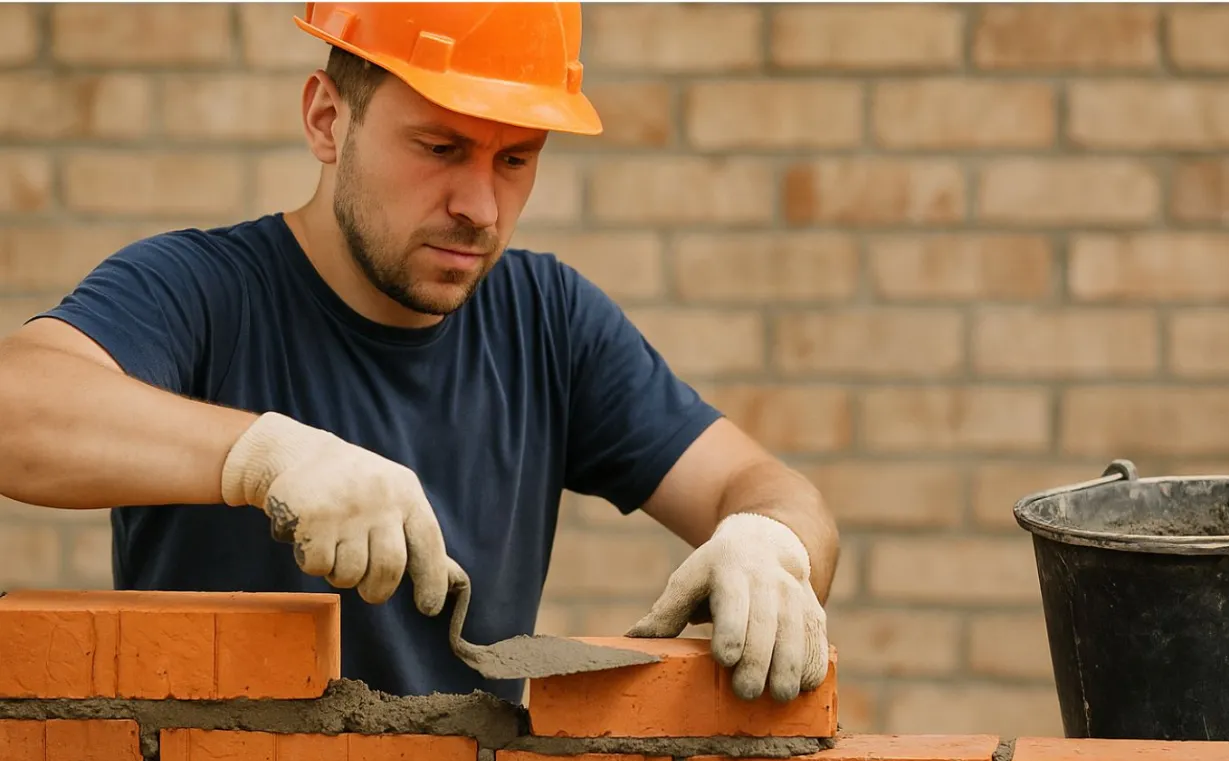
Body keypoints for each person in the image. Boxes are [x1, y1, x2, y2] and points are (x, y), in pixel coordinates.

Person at [0, 2, 838, 706]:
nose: (481, 206)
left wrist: (771, 544)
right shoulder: (201, 292)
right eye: (440, 148)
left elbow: (760, 485)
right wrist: (263, 456)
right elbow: (18, 404)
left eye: (515, 160)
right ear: (327, 120)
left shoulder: (549, 321)